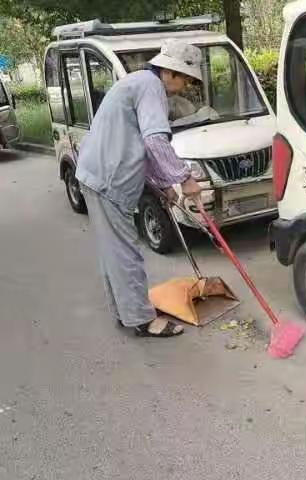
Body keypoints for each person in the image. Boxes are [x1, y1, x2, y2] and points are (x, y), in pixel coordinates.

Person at [76, 39, 203, 338]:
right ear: (170, 72)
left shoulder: (139, 83)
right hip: (109, 180)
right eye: (185, 78)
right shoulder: (151, 88)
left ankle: (126, 312)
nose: (185, 86)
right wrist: (184, 178)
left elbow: (138, 145)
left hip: (99, 176)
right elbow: (155, 141)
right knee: (125, 254)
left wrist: (163, 185)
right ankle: (143, 320)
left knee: (114, 252)